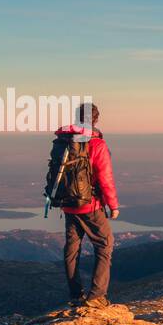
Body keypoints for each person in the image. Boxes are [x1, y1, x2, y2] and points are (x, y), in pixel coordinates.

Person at [44, 102, 119, 307]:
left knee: (71, 249)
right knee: (105, 244)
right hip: (90, 205)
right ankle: (96, 296)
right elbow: (105, 178)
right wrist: (113, 205)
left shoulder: (64, 141)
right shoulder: (97, 144)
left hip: (68, 204)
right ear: (96, 119)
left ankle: (75, 295)